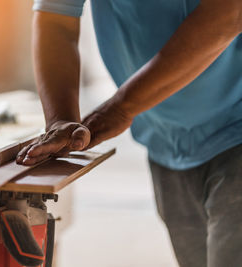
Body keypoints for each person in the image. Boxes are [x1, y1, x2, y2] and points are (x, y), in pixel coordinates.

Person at [15, 0, 242, 266]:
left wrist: (123, 106)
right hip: (164, 141)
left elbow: (230, 12)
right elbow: (56, 18)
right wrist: (60, 120)